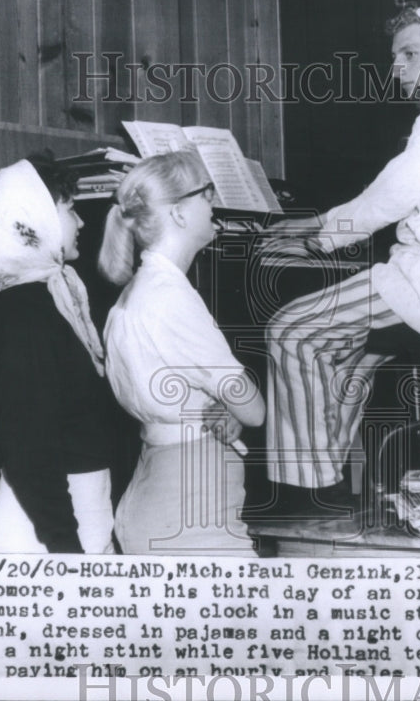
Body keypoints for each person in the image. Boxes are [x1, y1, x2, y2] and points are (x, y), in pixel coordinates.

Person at [262, 7, 420, 509]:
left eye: (410, 54)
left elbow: (387, 200)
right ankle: (331, 485)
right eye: (395, 57)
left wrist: (317, 236)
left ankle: (307, 494)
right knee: (351, 356)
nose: (397, 68)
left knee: (290, 331)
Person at [99, 150, 266, 554]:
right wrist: (236, 407)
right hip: (191, 497)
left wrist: (225, 408)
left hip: (158, 480)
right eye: (206, 194)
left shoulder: (134, 294)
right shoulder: (172, 299)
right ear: (177, 213)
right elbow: (254, 409)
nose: (214, 204)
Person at [0, 157, 117, 553]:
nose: (82, 222)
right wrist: (66, 548)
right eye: (69, 209)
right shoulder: (25, 313)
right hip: (44, 527)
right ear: (34, 219)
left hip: (67, 511)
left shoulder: (52, 297)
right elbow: (30, 448)